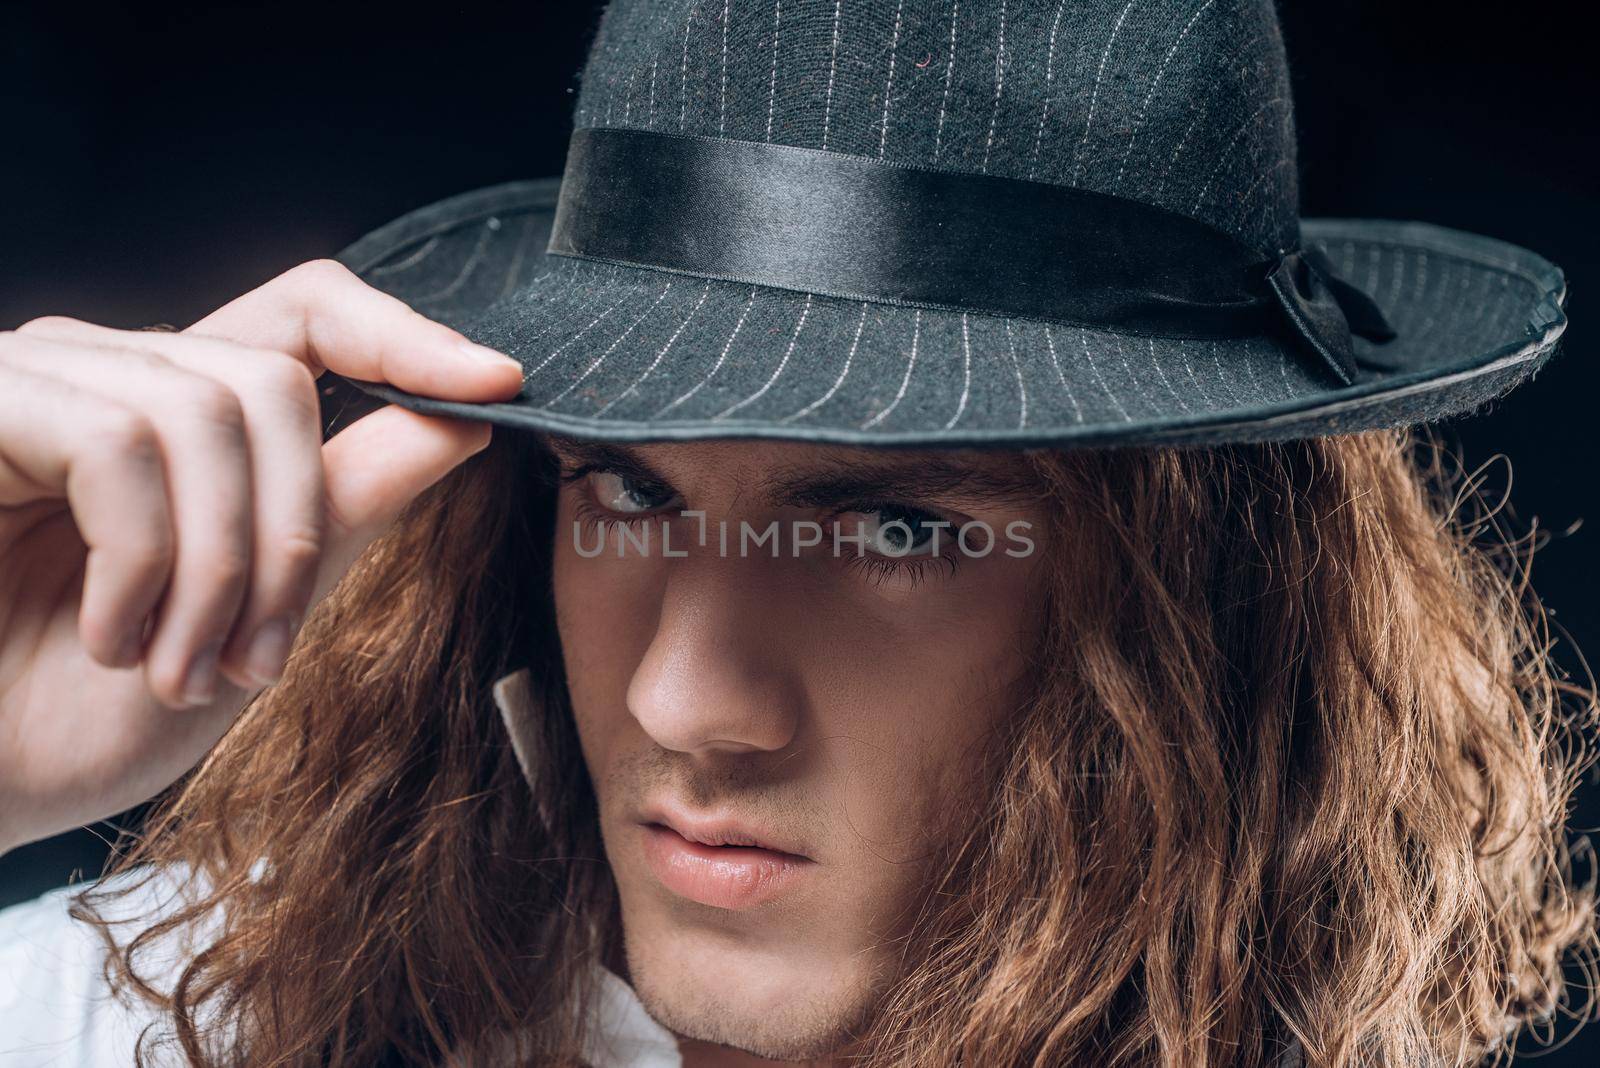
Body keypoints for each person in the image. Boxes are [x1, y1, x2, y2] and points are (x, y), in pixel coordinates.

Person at [1, 1, 1594, 1065]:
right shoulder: (150, 1016)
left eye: (898, 527)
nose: (682, 703)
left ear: (1205, 602)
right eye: (626, 489)